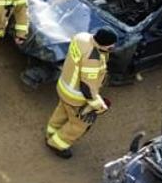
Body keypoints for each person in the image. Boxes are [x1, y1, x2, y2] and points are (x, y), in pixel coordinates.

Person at [47, 28, 114, 158]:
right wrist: (98, 106)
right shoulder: (93, 59)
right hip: (76, 97)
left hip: (64, 86)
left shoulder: (81, 37)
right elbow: (87, 87)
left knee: (61, 112)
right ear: (103, 44)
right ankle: (57, 144)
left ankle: (51, 132)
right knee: (78, 124)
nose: (113, 47)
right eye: (111, 45)